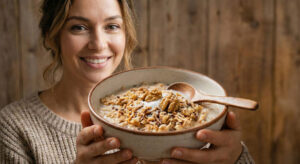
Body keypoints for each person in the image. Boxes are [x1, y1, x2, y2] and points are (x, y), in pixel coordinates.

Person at [0, 0, 255, 163]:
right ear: (51, 36)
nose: (98, 44)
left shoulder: (195, 127)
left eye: (112, 26)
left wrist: (236, 159)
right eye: (78, 27)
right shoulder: (14, 128)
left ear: (126, 34)